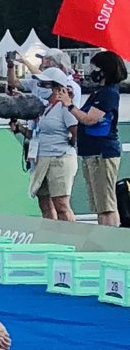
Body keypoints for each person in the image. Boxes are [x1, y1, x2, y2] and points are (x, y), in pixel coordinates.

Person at [22, 68, 80, 220]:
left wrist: (69, 144)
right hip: (42, 158)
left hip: (60, 158)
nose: (40, 87)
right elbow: (35, 134)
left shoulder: (65, 108)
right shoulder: (44, 108)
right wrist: (19, 129)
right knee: (44, 203)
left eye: (44, 84)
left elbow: (75, 131)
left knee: (61, 204)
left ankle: (69, 237)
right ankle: (51, 236)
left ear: (57, 87)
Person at [75, 50, 124, 227]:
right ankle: (102, 232)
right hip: (90, 152)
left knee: (106, 203)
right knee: (98, 202)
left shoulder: (109, 93)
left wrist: (69, 105)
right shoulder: (98, 92)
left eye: (95, 67)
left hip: (103, 152)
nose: (92, 70)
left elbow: (90, 119)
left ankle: (110, 237)